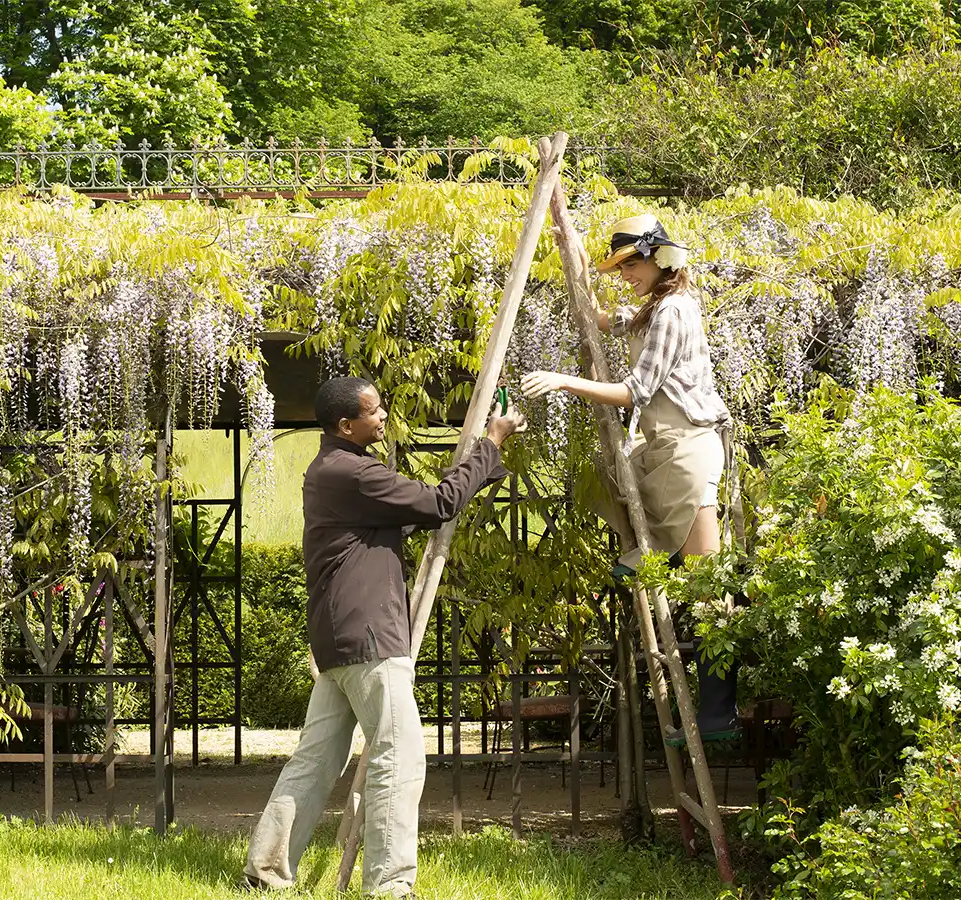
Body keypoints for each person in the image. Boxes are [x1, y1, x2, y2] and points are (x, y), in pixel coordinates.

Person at [242, 376, 527, 897]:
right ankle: (390, 884)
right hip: (370, 635)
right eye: (372, 412)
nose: (382, 416)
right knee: (399, 756)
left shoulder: (330, 469)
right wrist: (493, 441)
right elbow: (441, 502)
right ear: (345, 425)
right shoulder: (353, 473)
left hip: (340, 637)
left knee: (316, 758)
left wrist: (478, 460)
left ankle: (266, 870)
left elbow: (414, 511)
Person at [520, 213, 738, 743]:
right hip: (659, 448)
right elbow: (598, 318)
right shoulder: (650, 311)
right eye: (620, 267)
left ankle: (716, 716)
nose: (625, 275)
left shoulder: (674, 312)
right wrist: (568, 245)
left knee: (709, 593)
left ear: (658, 258)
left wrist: (562, 381)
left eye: (631, 265)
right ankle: (640, 555)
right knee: (606, 475)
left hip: (688, 448)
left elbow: (634, 391)